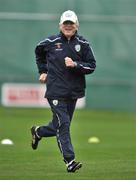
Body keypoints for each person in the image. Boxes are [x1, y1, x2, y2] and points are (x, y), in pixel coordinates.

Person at [31, 10, 96, 172]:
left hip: (73, 92)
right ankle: (70, 161)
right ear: (60, 25)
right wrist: (43, 71)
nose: (68, 26)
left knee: (57, 126)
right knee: (64, 125)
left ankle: (38, 131)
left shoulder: (84, 43)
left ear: (76, 25)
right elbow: (38, 52)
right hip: (55, 91)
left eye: (71, 23)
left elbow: (91, 66)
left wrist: (75, 64)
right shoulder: (50, 42)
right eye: (65, 23)